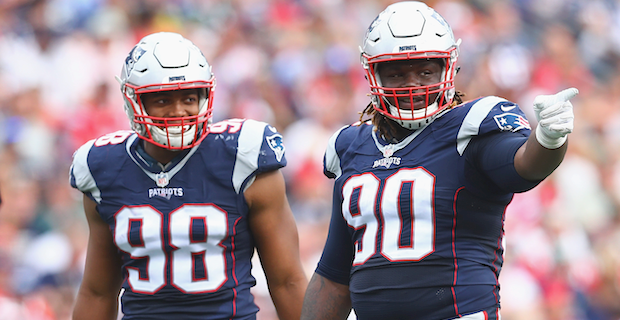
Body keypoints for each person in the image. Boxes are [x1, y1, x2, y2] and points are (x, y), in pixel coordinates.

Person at [300, 2, 577, 319]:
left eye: (425, 71)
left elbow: (525, 164)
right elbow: (334, 275)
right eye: (396, 73)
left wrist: (549, 139)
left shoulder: (470, 129)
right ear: (373, 75)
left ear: (449, 68)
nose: (413, 83)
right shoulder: (351, 146)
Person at [70, 32, 307, 320]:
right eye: (162, 100)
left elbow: (287, 281)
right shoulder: (103, 167)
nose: (178, 111)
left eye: (189, 97)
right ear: (134, 101)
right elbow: (98, 291)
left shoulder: (242, 156)